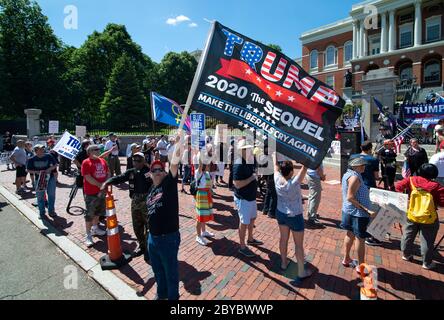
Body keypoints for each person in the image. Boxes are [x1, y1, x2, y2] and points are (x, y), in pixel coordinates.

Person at [146, 134, 181, 300]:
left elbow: (174, 163)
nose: (158, 172)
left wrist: (179, 143)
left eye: (161, 169)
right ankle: (161, 295)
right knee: (158, 271)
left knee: (171, 274)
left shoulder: (169, 184)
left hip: (168, 238)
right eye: (155, 170)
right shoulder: (151, 190)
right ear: (150, 174)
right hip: (152, 238)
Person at [103, 152, 152, 260]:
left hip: (147, 202)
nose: (136, 162)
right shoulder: (131, 172)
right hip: (135, 202)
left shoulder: (148, 172)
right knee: (137, 226)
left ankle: (149, 250)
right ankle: (142, 246)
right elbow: (120, 178)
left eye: (139, 160)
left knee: (149, 227)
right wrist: (108, 182)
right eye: (134, 160)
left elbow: (155, 183)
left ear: (143, 161)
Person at [272, 153, 313, 283]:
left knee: (283, 239)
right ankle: (301, 272)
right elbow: (305, 168)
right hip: (295, 216)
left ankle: (284, 263)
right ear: (290, 172)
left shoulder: (277, 178)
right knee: (298, 245)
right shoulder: (294, 183)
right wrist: (309, 156)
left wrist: (274, 157)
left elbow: (275, 167)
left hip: (281, 213)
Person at [395, 163, 444, 270]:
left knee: (408, 235)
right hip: (429, 217)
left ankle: (406, 255)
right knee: (427, 240)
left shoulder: (411, 180)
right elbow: (442, 202)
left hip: (412, 213)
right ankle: (426, 263)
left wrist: (405, 200)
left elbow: (398, 186)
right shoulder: (436, 186)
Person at [340, 157, 376, 274]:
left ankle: (346, 258)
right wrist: (367, 210)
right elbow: (350, 197)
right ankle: (361, 266)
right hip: (358, 213)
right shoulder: (355, 177)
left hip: (349, 210)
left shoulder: (348, 174)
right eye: (362, 165)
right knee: (360, 239)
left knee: (349, 234)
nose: (364, 167)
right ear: (355, 166)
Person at [233, 139, 263, 258]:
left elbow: (253, 173)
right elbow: (237, 184)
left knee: (252, 218)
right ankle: (242, 246)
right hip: (243, 198)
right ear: (242, 150)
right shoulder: (239, 164)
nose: (250, 150)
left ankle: (250, 239)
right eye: (248, 148)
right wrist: (252, 178)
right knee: (244, 222)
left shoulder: (248, 161)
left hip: (250, 196)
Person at [350, 141, 382, 246]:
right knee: (372, 211)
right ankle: (368, 233)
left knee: (358, 208)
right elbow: (376, 176)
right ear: (370, 149)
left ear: (360, 147)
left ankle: (357, 229)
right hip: (368, 187)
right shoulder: (373, 160)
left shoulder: (353, 156)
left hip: (355, 185)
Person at [81, 145, 109, 247]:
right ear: (89, 152)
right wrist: (100, 185)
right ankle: (88, 235)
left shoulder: (102, 161)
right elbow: (87, 177)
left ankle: (95, 228)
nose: (98, 151)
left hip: (102, 192)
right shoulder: (86, 162)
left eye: (98, 149)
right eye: (95, 149)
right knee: (90, 214)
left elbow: (108, 173)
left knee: (99, 212)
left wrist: (106, 183)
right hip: (91, 192)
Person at [26, 144, 58, 219]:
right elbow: (27, 169)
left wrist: (49, 169)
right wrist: (37, 172)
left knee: (51, 195)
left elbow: (55, 164)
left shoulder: (49, 156)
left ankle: (51, 211)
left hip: (50, 178)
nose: (42, 150)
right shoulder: (31, 159)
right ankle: (42, 213)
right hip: (39, 180)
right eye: (40, 149)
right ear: (36, 151)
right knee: (40, 197)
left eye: (43, 149)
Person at [194, 153, 215, 246]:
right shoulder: (199, 172)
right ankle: (198, 236)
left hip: (206, 196)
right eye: (208, 164)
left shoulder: (207, 173)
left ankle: (204, 231)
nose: (210, 165)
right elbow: (200, 164)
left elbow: (209, 185)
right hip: (201, 196)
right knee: (200, 217)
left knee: (204, 215)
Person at [258, 143, 277, 219]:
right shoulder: (268, 158)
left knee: (268, 193)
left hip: (267, 177)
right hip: (270, 177)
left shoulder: (263, 156)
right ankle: (271, 212)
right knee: (274, 195)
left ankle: (265, 209)